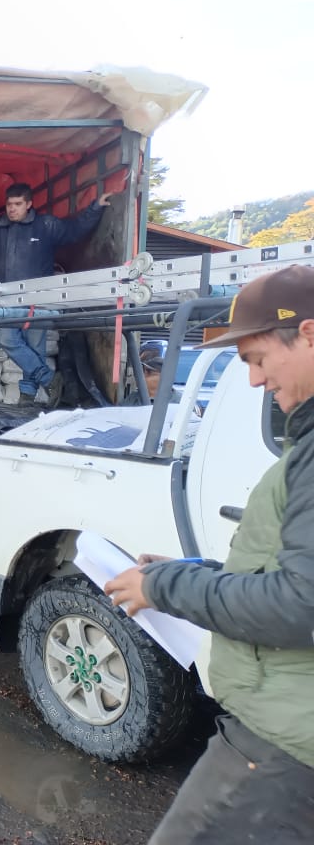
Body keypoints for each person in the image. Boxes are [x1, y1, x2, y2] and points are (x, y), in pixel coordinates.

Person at [103, 264, 314, 844]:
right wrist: (185, 574)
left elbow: (302, 606)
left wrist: (165, 589)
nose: (252, 381)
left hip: (285, 743)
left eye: (258, 358)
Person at [0, 183, 114, 405]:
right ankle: (49, 378)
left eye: (18, 204)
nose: (12, 209)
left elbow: (74, 230)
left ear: (29, 204)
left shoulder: (46, 225)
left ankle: (27, 396)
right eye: (9, 204)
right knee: (6, 339)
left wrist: (95, 208)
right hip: (6, 299)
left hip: (37, 299)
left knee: (35, 347)